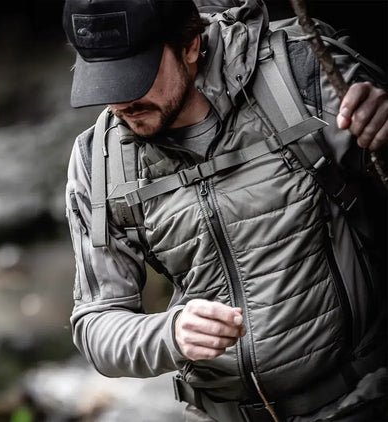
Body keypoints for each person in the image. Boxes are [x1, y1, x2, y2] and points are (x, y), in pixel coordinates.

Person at [61, 0, 387, 421]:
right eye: (104, 80)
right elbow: (95, 323)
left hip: (360, 399)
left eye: (134, 75)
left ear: (191, 45)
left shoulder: (302, 73)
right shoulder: (98, 159)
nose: (120, 101)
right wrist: (169, 333)